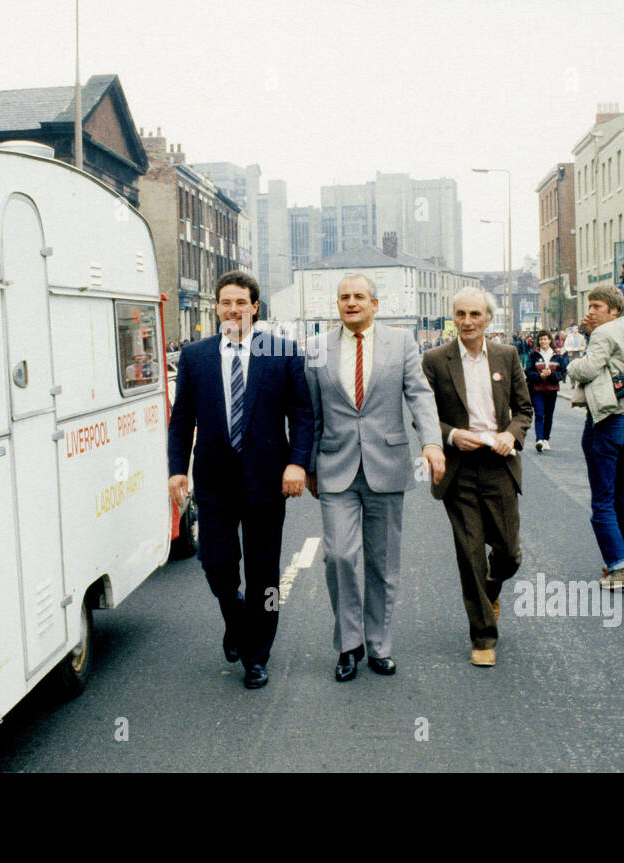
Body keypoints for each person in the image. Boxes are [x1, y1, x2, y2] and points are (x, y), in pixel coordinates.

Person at [167, 270, 313, 690]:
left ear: (255, 308)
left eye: (241, 303)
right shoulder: (196, 357)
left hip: (268, 481)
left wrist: (297, 463)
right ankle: (236, 619)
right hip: (215, 482)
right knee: (217, 565)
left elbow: (302, 415)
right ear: (216, 307)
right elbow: (182, 421)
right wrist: (178, 468)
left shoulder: (281, 353)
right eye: (226, 302)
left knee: (265, 574)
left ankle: (257, 656)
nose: (233, 310)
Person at [305, 274, 445, 681]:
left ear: (375, 304)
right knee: (339, 556)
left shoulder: (400, 343)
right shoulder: (316, 349)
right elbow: (311, 411)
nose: (351, 303)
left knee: (383, 565)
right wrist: (310, 463)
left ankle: (379, 646)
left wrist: (431, 442)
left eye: (359, 297)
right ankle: (349, 645)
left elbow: (419, 394)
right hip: (335, 467)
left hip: (387, 464)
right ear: (337, 304)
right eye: (344, 297)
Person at [422, 289, 532, 666]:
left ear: (488, 319)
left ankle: (490, 590)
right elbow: (424, 415)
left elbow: (524, 409)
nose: (467, 321)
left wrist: (510, 435)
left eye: (475, 314)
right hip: (459, 469)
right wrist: (451, 435)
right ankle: (483, 637)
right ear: (453, 318)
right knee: (470, 555)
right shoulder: (435, 360)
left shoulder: (507, 355)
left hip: (499, 464)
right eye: (461, 314)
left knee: (509, 553)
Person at [566, 283, 624, 590]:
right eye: (589, 306)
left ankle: (615, 568)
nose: (590, 312)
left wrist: (572, 362)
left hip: (608, 418)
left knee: (602, 499)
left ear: (614, 309)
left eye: (597, 306)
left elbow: (587, 369)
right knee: (622, 494)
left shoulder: (604, 332)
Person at [525, 330, 567, 451]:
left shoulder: (557, 355)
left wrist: (551, 375)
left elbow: (563, 373)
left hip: (551, 389)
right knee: (539, 414)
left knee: (548, 415)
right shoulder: (533, 355)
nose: (543, 341)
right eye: (541, 339)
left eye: (545, 339)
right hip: (537, 389)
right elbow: (528, 371)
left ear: (550, 340)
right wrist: (539, 376)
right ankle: (539, 440)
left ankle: (546, 439)